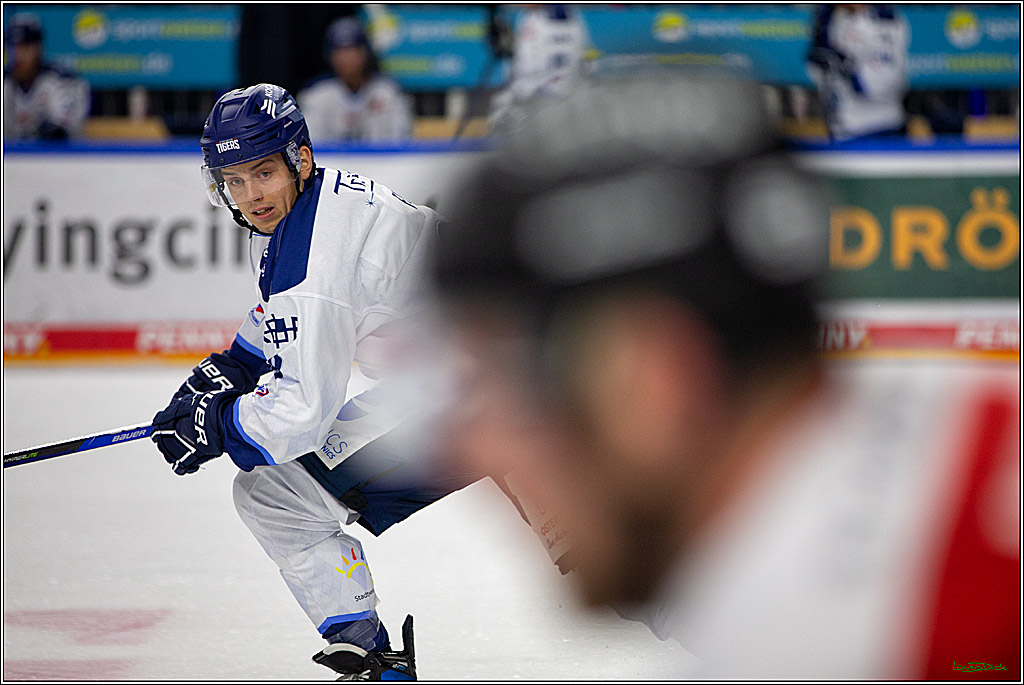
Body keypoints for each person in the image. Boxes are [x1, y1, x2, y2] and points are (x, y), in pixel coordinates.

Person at [429, 72, 1020, 678]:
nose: (470, 451)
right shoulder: (961, 455)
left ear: (656, 381)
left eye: (502, 386)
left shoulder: (850, 644)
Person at [149, 83, 476, 680]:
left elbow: (302, 414)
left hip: (482, 387)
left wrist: (219, 422)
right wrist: (234, 368)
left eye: (263, 174)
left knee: (275, 493)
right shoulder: (316, 207)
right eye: (234, 180)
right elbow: (282, 326)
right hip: (484, 368)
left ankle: (373, 658)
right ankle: (366, 650)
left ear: (299, 160)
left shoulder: (311, 257)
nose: (251, 196)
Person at [297, 16, 413, 143]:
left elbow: (402, 141)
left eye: (352, 51)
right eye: (340, 52)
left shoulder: (389, 92)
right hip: (329, 162)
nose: (346, 59)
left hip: (382, 162)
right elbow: (309, 145)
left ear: (366, 53)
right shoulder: (317, 95)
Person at [806, 4, 909, 142]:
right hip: (842, 129)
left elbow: (879, 83)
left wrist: (844, 68)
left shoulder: (884, 20)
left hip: (879, 129)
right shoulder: (832, 17)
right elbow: (816, 67)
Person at [488, 4, 592, 137]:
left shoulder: (551, 18)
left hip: (545, 94)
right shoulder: (568, 15)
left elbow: (531, 68)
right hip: (551, 90)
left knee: (502, 108)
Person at [3, 14, 90, 141]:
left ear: (38, 48)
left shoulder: (62, 80)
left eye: (25, 47)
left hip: (55, 159)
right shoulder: (6, 83)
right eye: (12, 47)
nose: (18, 56)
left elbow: (62, 134)